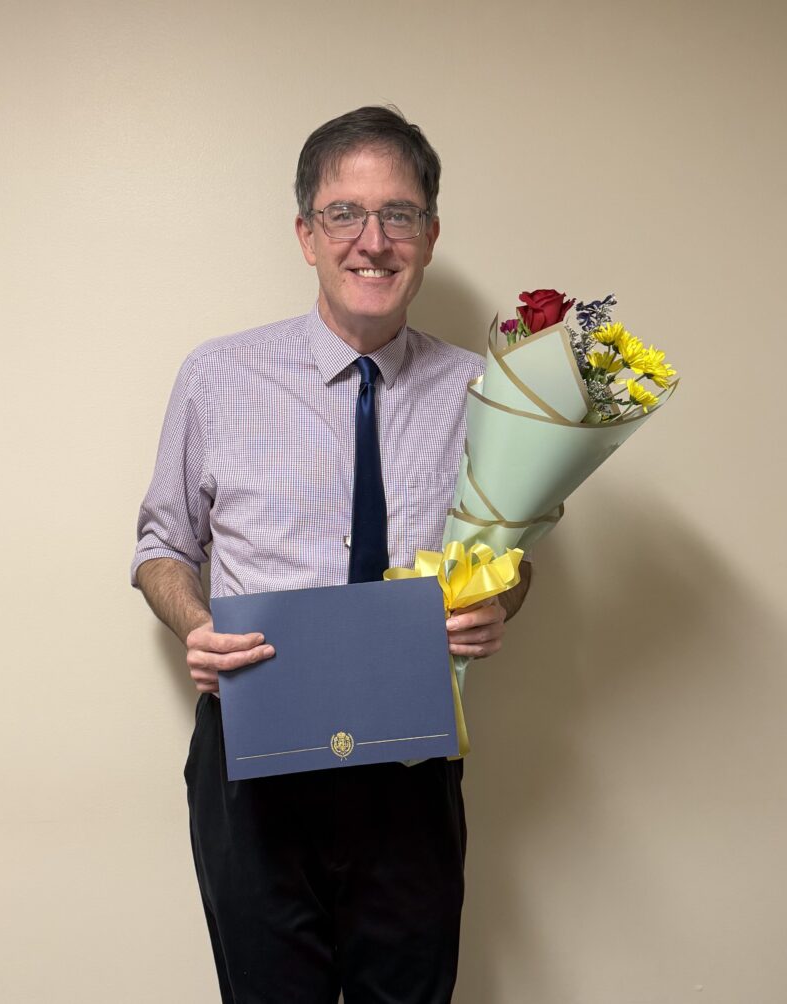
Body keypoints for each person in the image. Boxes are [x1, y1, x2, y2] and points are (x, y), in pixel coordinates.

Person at [131, 106, 532, 1004]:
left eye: (398, 214)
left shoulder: (484, 392)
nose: (373, 241)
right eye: (345, 214)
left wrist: (497, 604)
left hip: (412, 759)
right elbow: (161, 543)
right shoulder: (218, 376)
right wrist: (196, 625)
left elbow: (516, 557)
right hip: (255, 753)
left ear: (430, 234)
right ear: (306, 234)